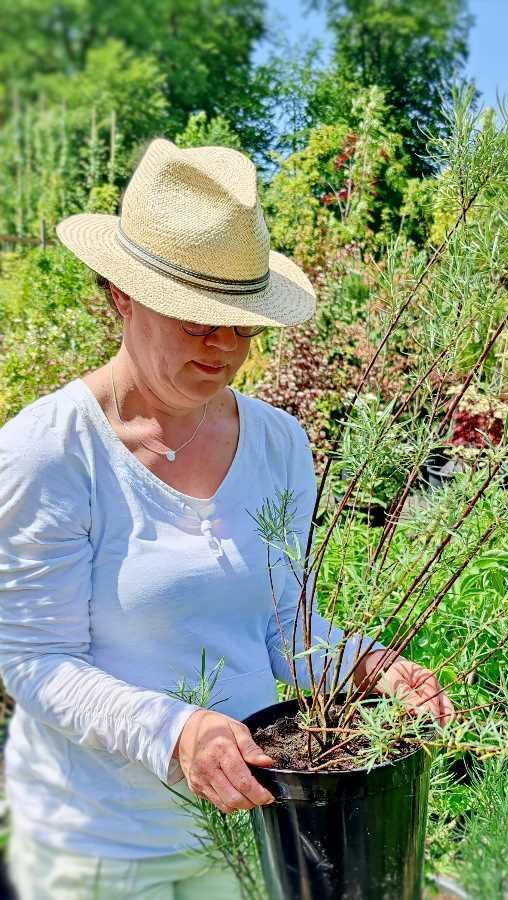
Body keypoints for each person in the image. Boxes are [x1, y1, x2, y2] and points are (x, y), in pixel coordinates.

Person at [0, 137, 454, 899]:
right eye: (195, 320)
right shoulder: (49, 453)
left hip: (254, 822)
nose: (223, 348)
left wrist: (370, 664)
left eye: (242, 325)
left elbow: (283, 623)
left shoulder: (278, 442)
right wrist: (177, 731)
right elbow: (33, 660)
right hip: (105, 843)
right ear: (122, 294)